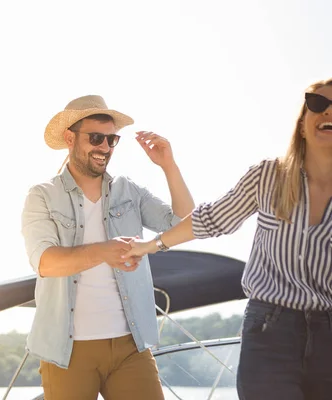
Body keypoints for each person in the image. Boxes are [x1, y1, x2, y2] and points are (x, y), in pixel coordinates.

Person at [122, 78, 332, 400]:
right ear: (302, 126)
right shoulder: (268, 176)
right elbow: (212, 219)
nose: (327, 112)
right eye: (318, 105)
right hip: (270, 332)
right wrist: (151, 245)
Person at [20, 95, 194, 400]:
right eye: (96, 138)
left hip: (130, 347)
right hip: (66, 351)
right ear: (69, 138)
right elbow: (45, 262)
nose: (105, 147)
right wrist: (104, 251)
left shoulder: (130, 191)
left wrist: (169, 165)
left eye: (112, 139)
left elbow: (185, 226)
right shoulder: (42, 196)